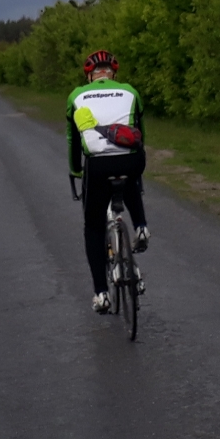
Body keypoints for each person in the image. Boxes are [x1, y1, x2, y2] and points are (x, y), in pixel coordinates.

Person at [67, 50, 149, 313]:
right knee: (131, 175)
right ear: (113, 74)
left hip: (98, 165)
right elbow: (140, 132)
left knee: (93, 226)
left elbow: (74, 141)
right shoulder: (130, 91)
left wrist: (76, 170)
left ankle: (101, 293)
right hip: (132, 160)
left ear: (90, 76)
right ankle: (141, 226)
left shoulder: (77, 96)